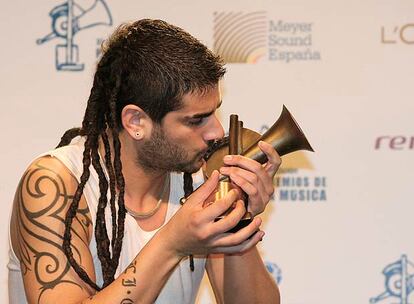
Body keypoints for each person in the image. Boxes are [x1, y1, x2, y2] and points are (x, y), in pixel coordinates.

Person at [8, 19, 281, 304]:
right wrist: (172, 243)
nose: (215, 132)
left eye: (214, 113)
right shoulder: (54, 185)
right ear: (136, 121)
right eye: (196, 120)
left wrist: (239, 217)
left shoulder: (199, 181)